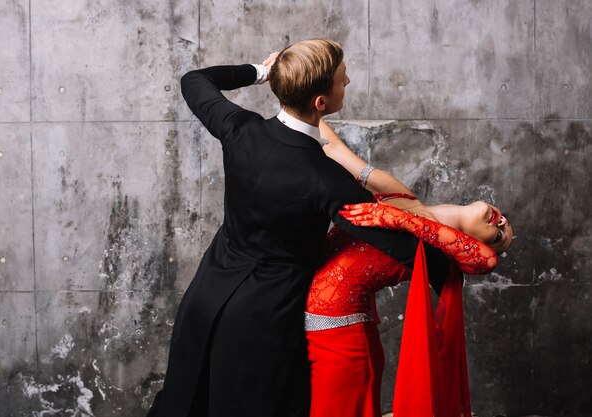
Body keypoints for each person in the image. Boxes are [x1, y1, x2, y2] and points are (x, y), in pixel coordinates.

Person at [147, 39, 451, 417]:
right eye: (343, 79)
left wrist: (259, 72)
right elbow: (391, 242)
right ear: (320, 104)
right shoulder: (325, 178)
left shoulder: (240, 130)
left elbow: (195, 80)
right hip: (266, 318)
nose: (349, 81)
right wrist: (453, 263)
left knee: (188, 402)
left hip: (206, 295)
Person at [304, 121, 513, 417]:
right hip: (307, 322)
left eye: (501, 239)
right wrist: (300, 101)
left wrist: (399, 220)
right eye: (507, 224)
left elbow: (488, 261)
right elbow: (336, 150)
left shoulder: (441, 251)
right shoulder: (406, 197)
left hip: (342, 339)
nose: (502, 225)